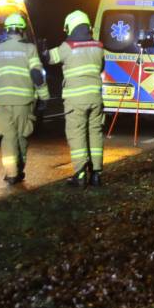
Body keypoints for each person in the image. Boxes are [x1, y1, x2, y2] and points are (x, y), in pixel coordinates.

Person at [0, 13, 47, 185]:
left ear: (7, 30)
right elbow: (37, 75)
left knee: (7, 137)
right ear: (22, 30)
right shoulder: (29, 49)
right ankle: (19, 169)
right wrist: (44, 97)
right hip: (24, 101)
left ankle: (11, 173)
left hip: (3, 101)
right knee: (22, 136)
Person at [46, 10, 107, 187]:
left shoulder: (67, 47)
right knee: (95, 133)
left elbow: (49, 58)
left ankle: (80, 175)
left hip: (75, 101)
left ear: (71, 27)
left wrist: (40, 49)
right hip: (95, 98)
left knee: (77, 134)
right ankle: (96, 174)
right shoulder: (98, 46)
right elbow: (102, 67)